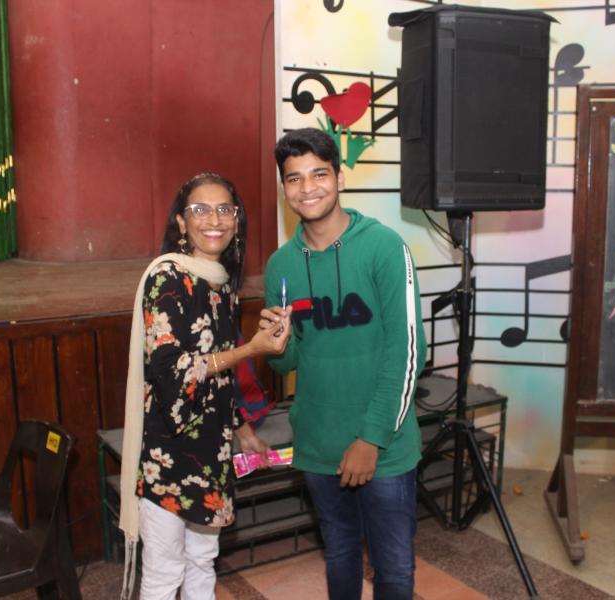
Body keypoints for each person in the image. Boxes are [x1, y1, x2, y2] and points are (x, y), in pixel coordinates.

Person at [259, 128, 426, 599]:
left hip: (384, 445)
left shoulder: (384, 247)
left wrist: (371, 439)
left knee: (394, 569)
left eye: (319, 174)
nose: (307, 188)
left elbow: (408, 352)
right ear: (284, 188)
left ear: (340, 178)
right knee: (339, 554)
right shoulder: (281, 266)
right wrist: (275, 345)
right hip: (318, 444)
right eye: (294, 178)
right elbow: (288, 365)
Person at [118, 173, 292, 600]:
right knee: (164, 574)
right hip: (168, 453)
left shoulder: (220, 282)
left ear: (236, 220)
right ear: (181, 222)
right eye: (200, 210)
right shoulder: (167, 277)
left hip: (211, 450)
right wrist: (251, 348)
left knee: (202, 560)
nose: (214, 220)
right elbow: (172, 370)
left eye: (224, 209)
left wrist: (241, 429)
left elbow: (220, 377)